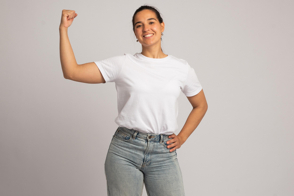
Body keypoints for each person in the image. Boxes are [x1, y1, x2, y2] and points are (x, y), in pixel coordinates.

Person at [59, 5, 208, 196]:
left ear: (162, 26)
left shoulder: (181, 68)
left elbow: (201, 105)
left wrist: (182, 137)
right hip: (125, 150)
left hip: (163, 152)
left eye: (151, 22)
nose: (146, 28)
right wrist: (63, 29)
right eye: (139, 25)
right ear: (135, 33)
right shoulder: (123, 64)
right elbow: (71, 72)